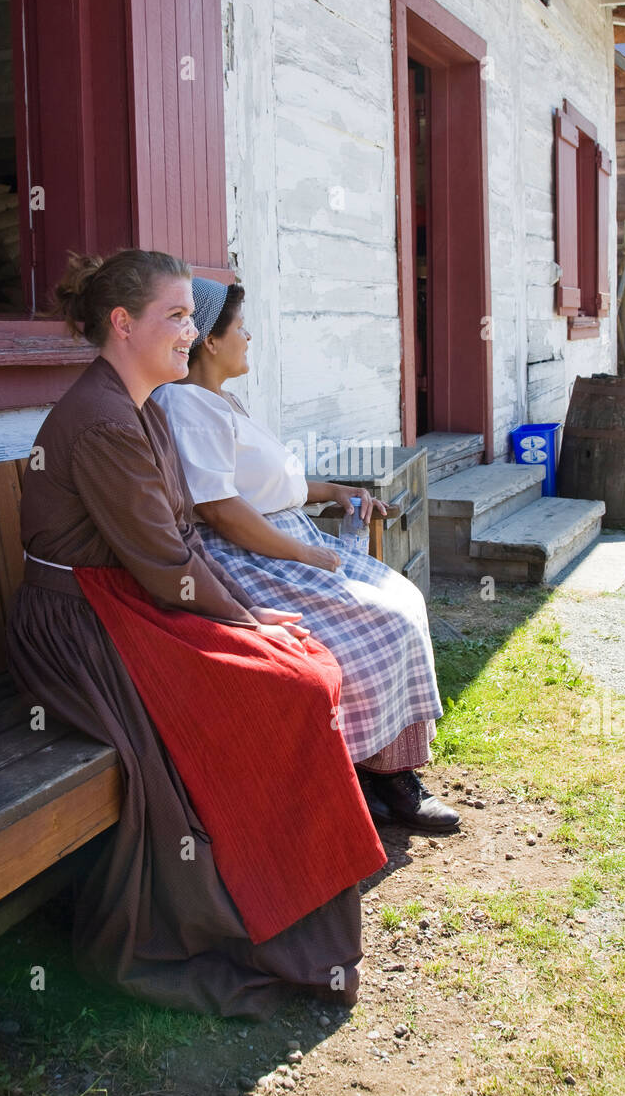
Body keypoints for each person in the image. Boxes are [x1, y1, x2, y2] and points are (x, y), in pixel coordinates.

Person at [5, 249, 386, 1019]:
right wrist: (247, 620)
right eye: (176, 317)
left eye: (192, 316)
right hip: (85, 626)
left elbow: (166, 556)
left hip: (130, 603)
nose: (191, 331)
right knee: (289, 682)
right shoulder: (107, 420)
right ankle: (258, 915)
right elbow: (163, 561)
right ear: (122, 324)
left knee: (300, 666)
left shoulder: (139, 402)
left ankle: (288, 898)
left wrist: (249, 621)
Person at [152, 276, 459, 833]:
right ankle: (362, 777)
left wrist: (335, 492)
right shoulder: (185, 406)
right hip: (249, 557)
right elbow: (220, 510)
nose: (248, 337)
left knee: (401, 603)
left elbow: (274, 483)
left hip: (285, 539)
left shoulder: (223, 401)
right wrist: (304, 554)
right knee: (378, 627)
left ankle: (385, 772)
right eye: (239, 328)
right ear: (210, 342)